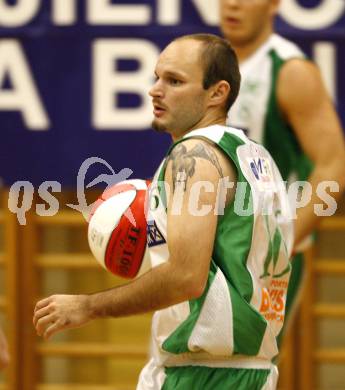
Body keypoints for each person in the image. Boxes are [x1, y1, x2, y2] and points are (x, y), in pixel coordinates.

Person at [34, 34, 294, 389]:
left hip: (202, 375)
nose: (155, 90)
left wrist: (89, 305)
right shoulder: (255, 155)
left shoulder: (193, 156)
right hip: (251, 369)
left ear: (217, 93)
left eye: (174, 81)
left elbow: (186, 276)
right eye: (156, 77)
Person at [220, 0, 345, 338]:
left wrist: (278, 248)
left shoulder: (290, 71)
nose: (232, 3)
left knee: (243, 373)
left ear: (274, 3)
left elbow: (333, 166)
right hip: (208, 248)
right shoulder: (203, 63)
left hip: (261, 257)